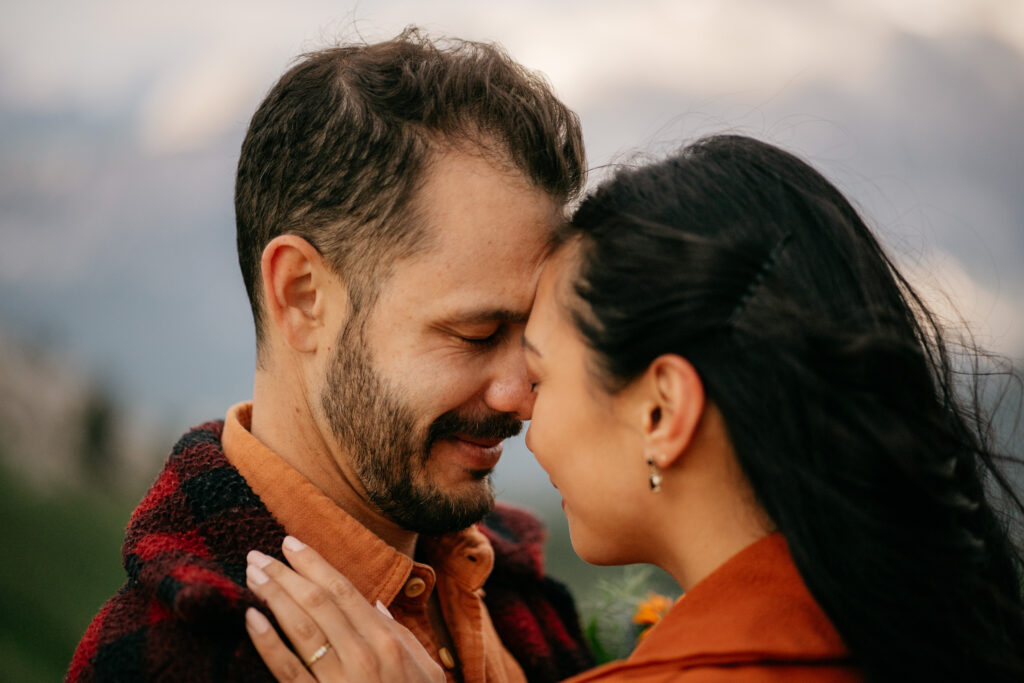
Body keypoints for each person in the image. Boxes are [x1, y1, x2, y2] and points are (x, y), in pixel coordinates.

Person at [244, 135, 1024, 682]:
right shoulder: (947, 638)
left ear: (661, 410)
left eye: (542, 374)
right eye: (478, 333)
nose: (520, 409)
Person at [67, 29, 595, 682]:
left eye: (535, 336)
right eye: (477, 334)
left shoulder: (516, 587)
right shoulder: (163, 659)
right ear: (302, 295)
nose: (523, 394)